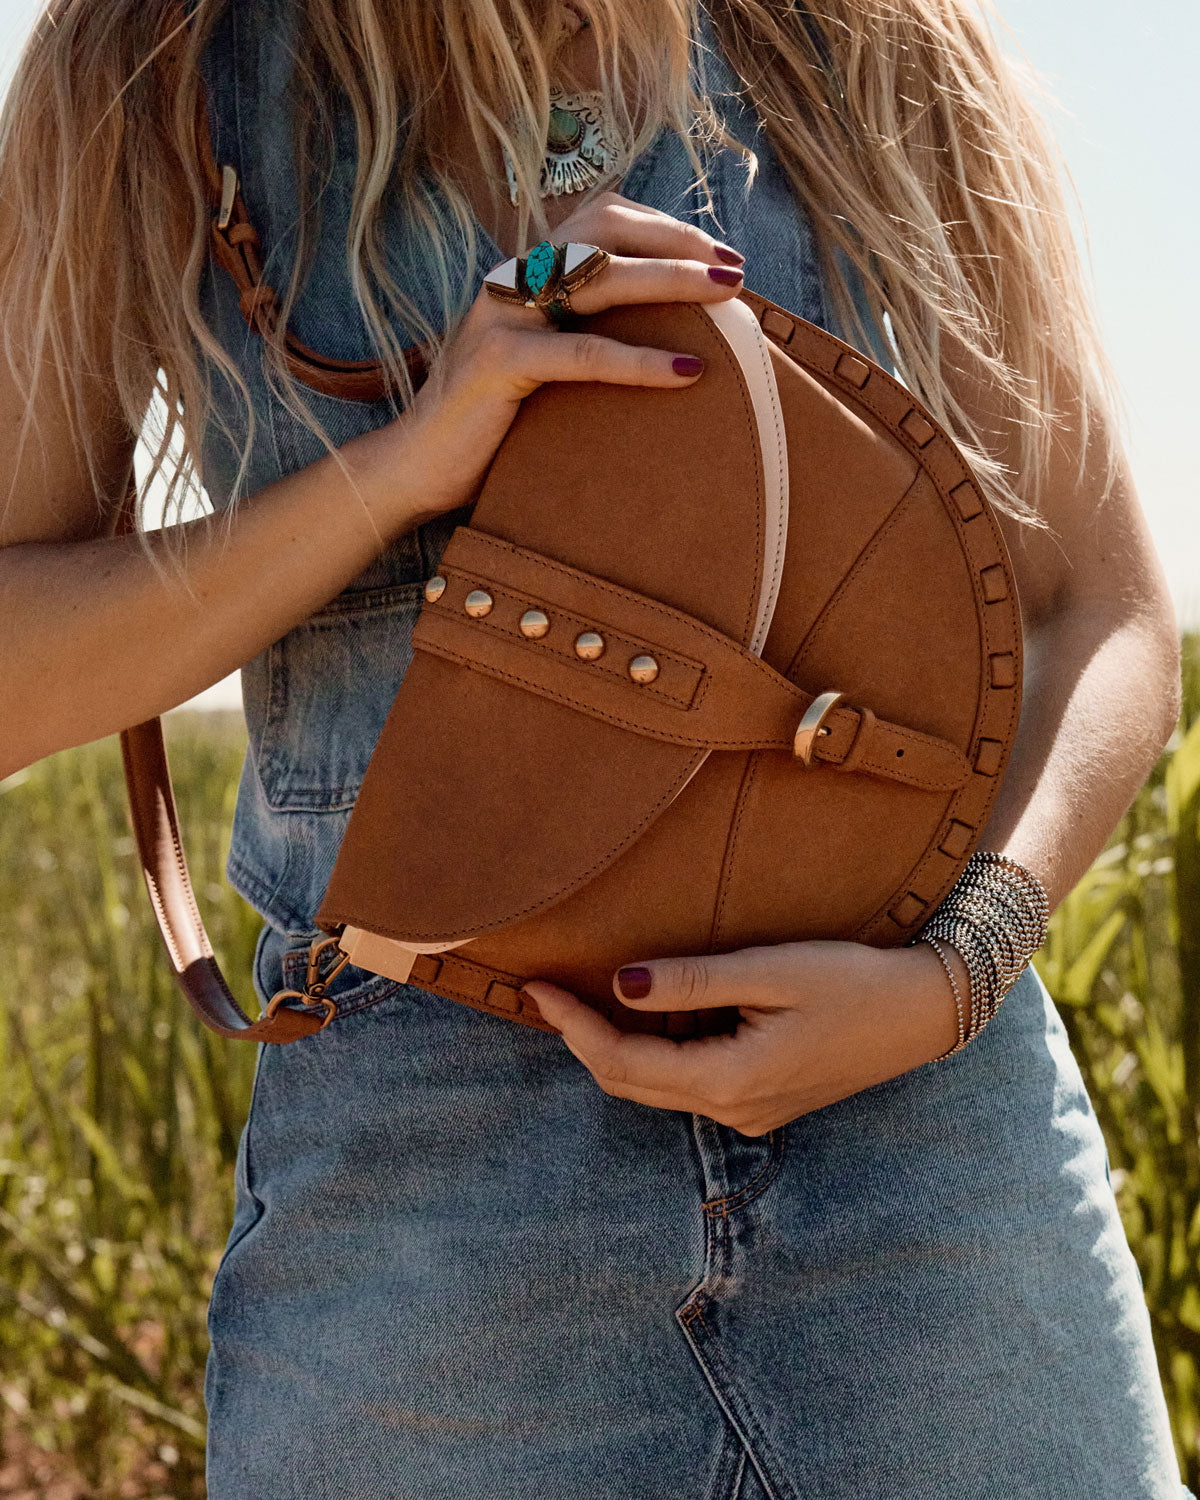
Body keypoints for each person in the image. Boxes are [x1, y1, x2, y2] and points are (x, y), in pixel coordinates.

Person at [0, 1, 1189, 1496]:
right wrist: (409, 465)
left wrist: (953, 975)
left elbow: (1110, 614)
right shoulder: (154, 65)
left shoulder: (869, 41)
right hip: (428, 1202)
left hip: (934, 1150)